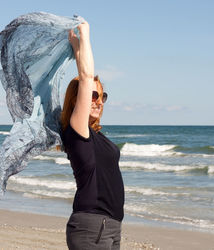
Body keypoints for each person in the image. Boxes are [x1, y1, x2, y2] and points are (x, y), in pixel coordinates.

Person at [60, 21, 125, 250]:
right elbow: (85, 77)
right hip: (91, 227)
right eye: (93, 95)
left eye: (102, 96)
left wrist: (75, 44)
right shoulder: (76, 130)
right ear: (78, 99)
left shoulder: (95, 135)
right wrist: (85, 34)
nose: (98, 101)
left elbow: (87, 79)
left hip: (110, 227)